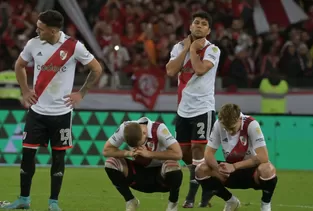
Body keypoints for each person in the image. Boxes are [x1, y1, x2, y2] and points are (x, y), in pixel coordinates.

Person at [0, 10, 102, 211]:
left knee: (58, 159)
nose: (36, 30)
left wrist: (81, 94)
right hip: (36, 112)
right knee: (27, 156)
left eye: (41, 28)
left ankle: (53, 202)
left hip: (62, 114)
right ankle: (23, 199)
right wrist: (25, 90)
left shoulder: (73, 47)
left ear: (53, 30)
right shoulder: (33, 44)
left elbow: (96, 68)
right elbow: (19, 65)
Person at [165, 11, 221, 208]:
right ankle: (209, 182)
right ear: (190, 26)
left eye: (203, 24)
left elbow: (199, 69)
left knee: (198, 149)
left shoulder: (213, 50)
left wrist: (194, 51)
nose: (199, 26)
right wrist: (186, 48)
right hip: (183, 109)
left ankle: (191, 196)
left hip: (203, 107)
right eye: (196, 22)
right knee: (184, 153)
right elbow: (171, 70)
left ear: (208, 30)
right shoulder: (178, 47)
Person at [195, 103, 277, 211]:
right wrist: (217, 168)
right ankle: (231, 201)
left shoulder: (251, 124)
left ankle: (265, 205)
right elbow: (208, 154)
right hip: (230, 173)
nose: (229, 131)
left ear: (239, 119)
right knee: (201, 169)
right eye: (226, 128)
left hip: (252, 173)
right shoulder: (218, 124)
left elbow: (263, 156)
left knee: (267, 169)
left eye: (232, 128)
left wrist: (234, 166)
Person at [102, 117, 183, 211]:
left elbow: (178, 154)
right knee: (110, 163)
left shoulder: (159, 129)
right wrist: (128, 153)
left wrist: (150, 154)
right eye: (134, 147)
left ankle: (172, 204)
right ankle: (130, 201)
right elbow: (106, 151)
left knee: (173, 165)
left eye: (139, 144)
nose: (137, 148)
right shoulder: (125, 128)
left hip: (161, 177)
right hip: (137, 175)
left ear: (144, 133)